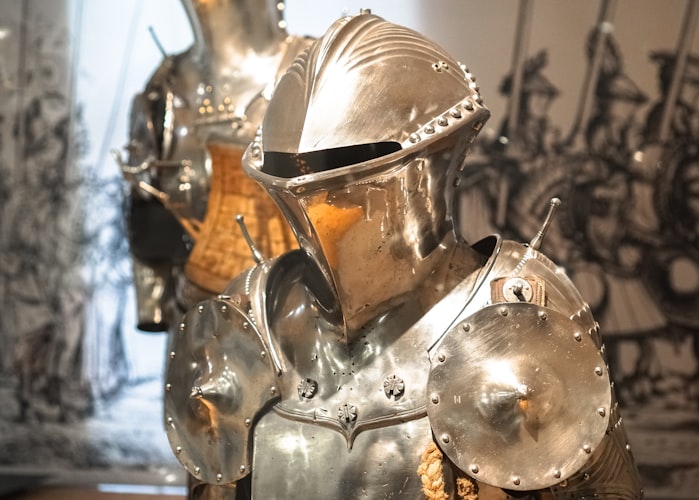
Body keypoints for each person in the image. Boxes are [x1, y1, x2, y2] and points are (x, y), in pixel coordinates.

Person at [164, 12, 642, 499]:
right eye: (291, 179)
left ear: (430, 162)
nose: (312, 204)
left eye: (341, 180)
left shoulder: (516, 311)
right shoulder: (252, 318)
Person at [118, 0, 310, 332]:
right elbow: (145, 208)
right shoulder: (165, 89)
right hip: (198, 325)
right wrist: (154, 305)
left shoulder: (318, 68)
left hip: (306, 323)